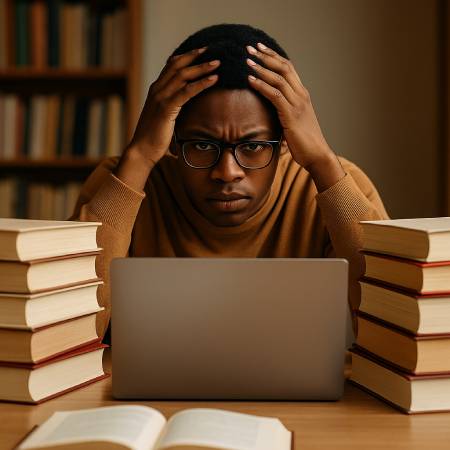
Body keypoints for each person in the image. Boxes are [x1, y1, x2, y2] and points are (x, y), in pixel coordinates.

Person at [70, 24, 389, 340]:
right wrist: (138, 156)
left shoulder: (334, 185)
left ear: (286, 143)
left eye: (252, 147)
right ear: (171, 141)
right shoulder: (120, 182)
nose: (227, 172)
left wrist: (322, 161)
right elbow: (73, 334)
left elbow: (390, 332)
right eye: (202, 145)